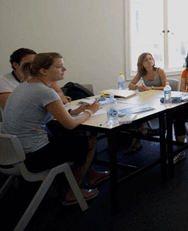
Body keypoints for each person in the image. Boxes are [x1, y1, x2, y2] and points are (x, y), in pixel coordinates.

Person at [2, 53, 108, 205]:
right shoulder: (45, 91)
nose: (64, 69)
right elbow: (70, 124)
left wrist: (75, 112)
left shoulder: (24, 86)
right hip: (32, 158)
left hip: (10, 154)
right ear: (43, 71)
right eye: (59, 66)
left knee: (69, 137)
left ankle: (92, 175)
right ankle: (73, 192)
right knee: (88, 142)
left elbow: (47, 114)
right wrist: (89, 112)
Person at [0, 48, 70, 110]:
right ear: (15, 65)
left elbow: (59, 93)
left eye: (36, 63)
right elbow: (9, 107)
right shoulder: (3, 81)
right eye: (29, 63)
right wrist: (52, 100)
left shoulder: (41, 75)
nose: (34, 66)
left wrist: (53, 99)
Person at [126, 52, 167, 154]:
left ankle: (144, 134)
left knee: (142, 109)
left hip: (161, 99)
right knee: (139, 110)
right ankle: (138, 138)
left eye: (150, 59)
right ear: (142, 64)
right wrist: (138, 87)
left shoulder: (160, 71)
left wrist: (151, 88)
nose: (149, 61)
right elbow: (130, 85)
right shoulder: (141, 73)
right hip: (149, 99)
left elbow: (166, 87)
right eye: (146, 60)